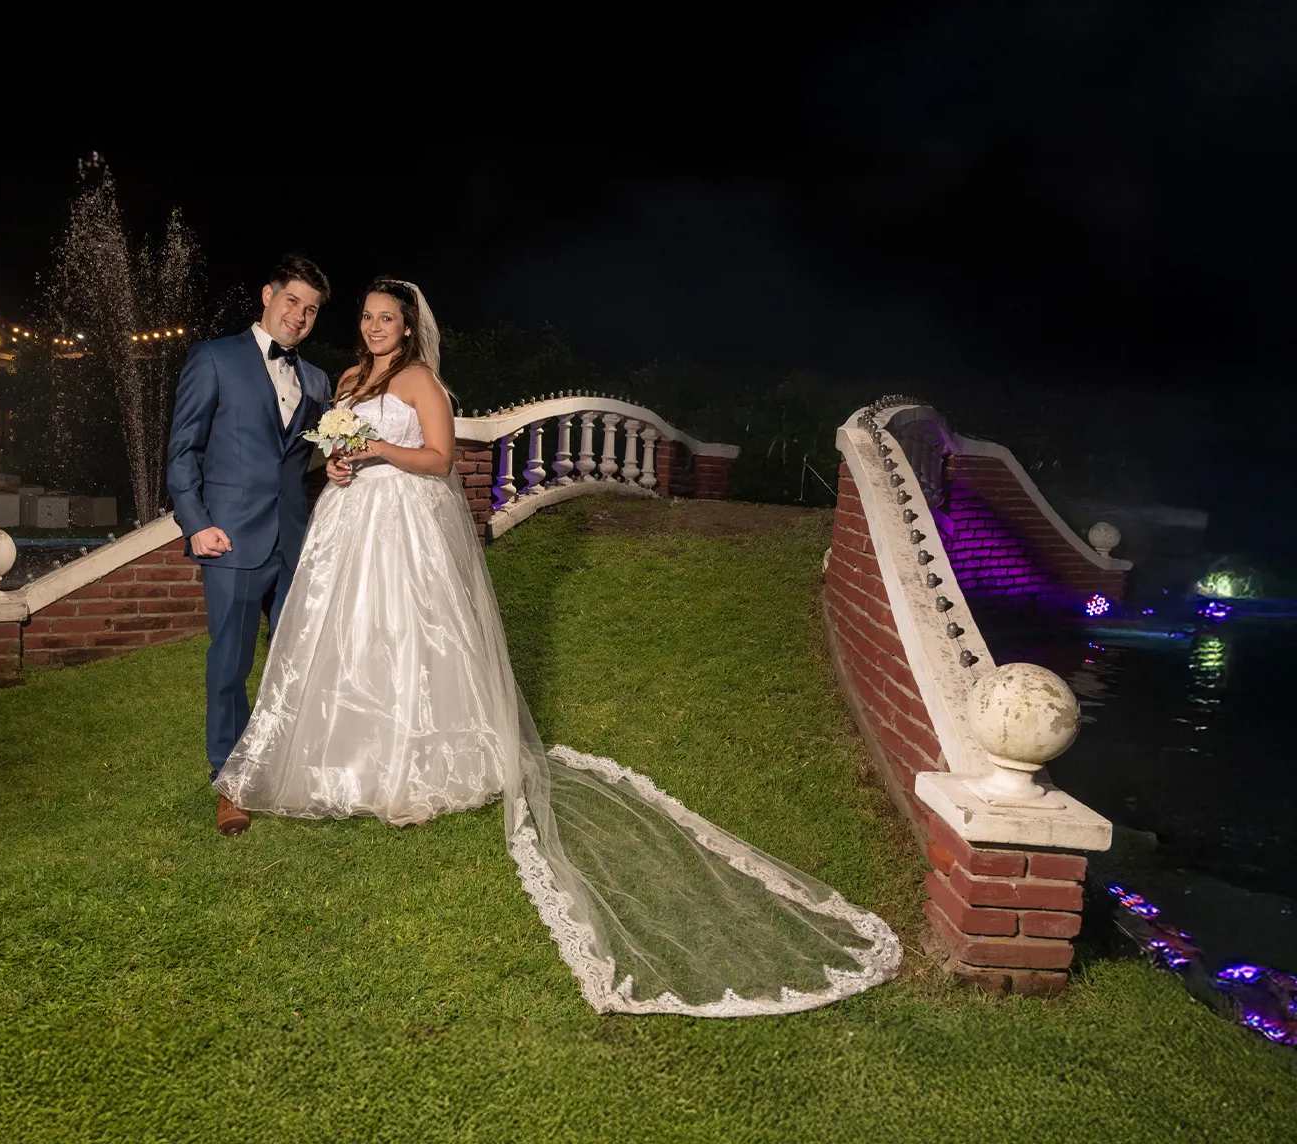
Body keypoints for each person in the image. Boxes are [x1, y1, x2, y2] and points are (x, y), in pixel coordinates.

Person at [213, 277, 903, 1016]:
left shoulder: (420, 380)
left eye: (390, 319)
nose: (377, 327)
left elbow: (442, 458)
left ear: (410, 330)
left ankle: (410, 766)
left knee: (407, 637)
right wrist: (342, 463)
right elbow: (331, 456)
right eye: (369, 318)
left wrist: (375, 447)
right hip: (350, 521)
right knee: (340, 639)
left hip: (404, 525)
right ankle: (333, 752)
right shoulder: (347, 378)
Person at [165, 254, 333, 837]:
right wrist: (195, 523)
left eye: (311, 310)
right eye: (292, 302)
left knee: (298, 664)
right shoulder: (213, 358)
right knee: (229, 668)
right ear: (267, 294)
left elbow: (310, 458)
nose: (300, 316)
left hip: (294, 541)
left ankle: (289, 769)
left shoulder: (316, 380)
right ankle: (231, 783)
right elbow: (182, 450)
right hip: (230, 540)